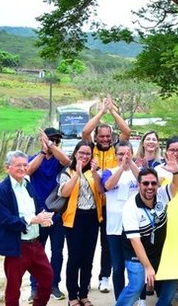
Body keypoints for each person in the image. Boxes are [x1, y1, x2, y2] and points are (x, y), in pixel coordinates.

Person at [115, 154, 178, 306]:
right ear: (139, 184)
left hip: (160, 253)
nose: (150, 187)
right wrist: (148, 267)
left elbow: (177, 185)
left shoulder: (161, 195)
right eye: (145, 183)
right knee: (137, 286)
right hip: (136, 255)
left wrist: (176, 172)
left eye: (153, 183)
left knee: (173, 280)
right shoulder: (130, 207)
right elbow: (135, 241)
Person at [0, 150, 55, 306]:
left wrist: (44, 217)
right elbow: (6, 220)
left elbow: (38, 205)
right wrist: (32, 220)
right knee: (14, 288)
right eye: (18, 165)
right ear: (8, 168)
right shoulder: (2, 191)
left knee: (47, 278)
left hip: (35, 244)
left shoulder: (27, 185)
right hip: (17, 246)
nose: (22, 168)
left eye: (25, 165)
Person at [82, 96, 132, 294]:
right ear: (96, 137)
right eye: (101, 136)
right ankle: (85, 279)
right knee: (88, 244)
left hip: (110, 205)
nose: (104, 139)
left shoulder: (116, 150)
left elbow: (126, 132)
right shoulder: (90, 149)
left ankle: (105, 277)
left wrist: (112, 111)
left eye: (107, 136)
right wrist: (101, 112)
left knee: (107, 245)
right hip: (91, 204)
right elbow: (85, 131)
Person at [25, 128, 71, 301]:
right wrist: (44, 152)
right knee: (36, 253)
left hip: (57, 214)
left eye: (57, 141)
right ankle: (34, 288)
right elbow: (28, 170)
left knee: (57, 253)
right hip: (38, 214)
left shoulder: (59, 160)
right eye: (51, 139)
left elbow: (67, 161)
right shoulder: (34, 159)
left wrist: (51, 146)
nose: (54, 143)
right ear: (41, 140)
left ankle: (54, 285)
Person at [59, 141, 104, 306]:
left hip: (92, 218)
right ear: (75, 153)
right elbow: (64, 192)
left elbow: (101, 190)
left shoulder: (94, 172)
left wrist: (96, 173)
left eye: (88, 154)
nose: (84, 156)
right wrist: (77, 174)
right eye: (82, 153)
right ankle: (72, 296)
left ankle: (84, 294)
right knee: (74, 258)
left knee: (88, 258)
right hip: (74, 219)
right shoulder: (68, 172)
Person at [102, 142, 140, 301]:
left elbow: (144, 180)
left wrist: (131, 164)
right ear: (115, 155)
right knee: (118, 268)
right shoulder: (108, 171)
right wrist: (121, 168)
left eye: (128, 153)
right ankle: (119, 300)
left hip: (134, 227)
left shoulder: (138, 171)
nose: (124, 157)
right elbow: (108, 186)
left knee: (136, 267)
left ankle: (140, 299)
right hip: (114, 228)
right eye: (120, 154)